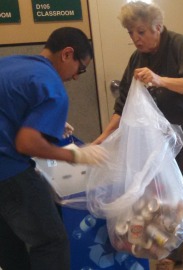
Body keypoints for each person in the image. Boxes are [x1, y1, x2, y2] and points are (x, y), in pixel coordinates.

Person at [92, 2, 183, 270]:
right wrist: (103, 137)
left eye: (140, 32)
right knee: (162, 198)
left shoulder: (180, 46)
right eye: (130, 33)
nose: (135, 39)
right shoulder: (137, 59)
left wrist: (160, 80)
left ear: (157, 28)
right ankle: (169, 250)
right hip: (163, 139)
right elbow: (124, 103)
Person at [0, 27, 108, 270]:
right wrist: (76, 155)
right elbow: (26, 143)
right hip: (7, 170)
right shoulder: (52, 86)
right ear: (67, 54)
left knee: (9, 242)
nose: (77, 77)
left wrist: (46, 123)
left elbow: (10, 107)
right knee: (51, 242)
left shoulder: (14, 63)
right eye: (81, 68)